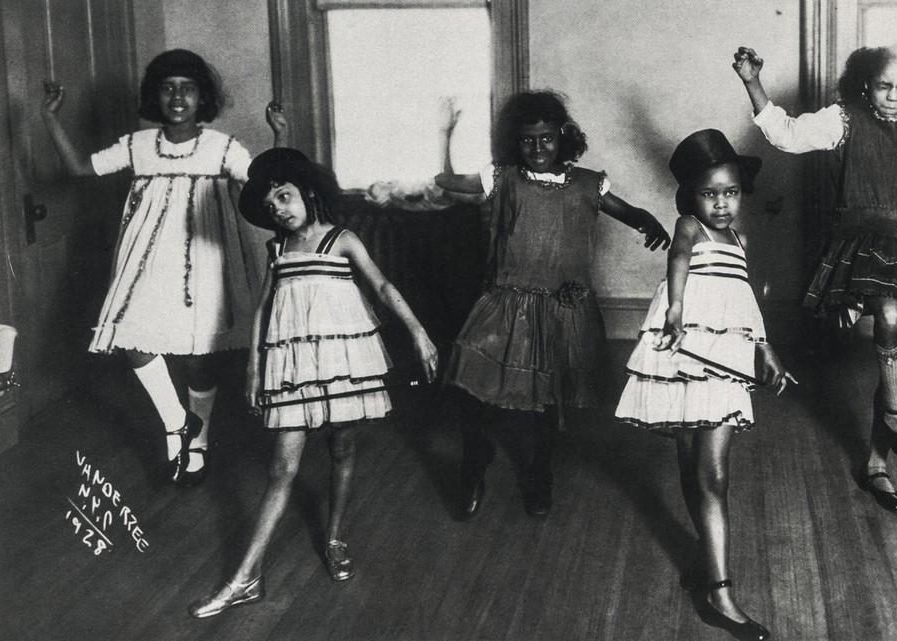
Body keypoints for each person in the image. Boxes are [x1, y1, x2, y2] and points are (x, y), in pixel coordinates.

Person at [189, 147, 438, 618]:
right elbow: (264, 309)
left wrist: (419, 333)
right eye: (269, 206)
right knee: (281, 471)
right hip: (295, 369)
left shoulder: (341, 239)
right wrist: (254, 368)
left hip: (344, 360)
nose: (279, 209)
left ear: (307, 192)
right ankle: (246, 577)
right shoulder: (277, 249)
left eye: (284, 196)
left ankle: (335, 536)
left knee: (342, 449)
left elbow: (382, 287)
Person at [732, 44, 897, 513]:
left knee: (896, 365)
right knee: (888, 312)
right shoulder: (845, 119)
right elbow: (785, 135)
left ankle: (877, 466)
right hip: (864, 247)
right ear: (866, 84)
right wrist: (752, 81)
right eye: (884, 86)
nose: (894, 96)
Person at [40, 49, 286, 486]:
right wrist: (50, 119)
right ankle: (177, 423)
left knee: (198, 361)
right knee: (132, 337)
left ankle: (197, 448)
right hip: (149, 264)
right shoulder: (137, 146)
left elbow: (270, 184)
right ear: (156, 97)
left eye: (187, 89)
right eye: (168, 88)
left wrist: (280, 135)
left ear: (201, 98)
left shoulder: (222, 147)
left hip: (207, 264)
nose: (177, 97)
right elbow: (80, 168)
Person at [435, 91, 671, 519]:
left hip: (561, 311)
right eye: (528, 141)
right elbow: (446, 182)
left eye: (546, 139)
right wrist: (445, 135)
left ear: (563, 137)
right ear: (515, 142)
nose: (538, 149)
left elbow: (628, 210)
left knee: (544, 404)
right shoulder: (501, 178)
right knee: (476, 394)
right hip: (506, 306)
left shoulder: (587, 183)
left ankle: (539, 475)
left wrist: (649, 221)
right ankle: (474, 466)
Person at [616, 129, 793, 641]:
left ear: (742, 194)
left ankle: (719, 591)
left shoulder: (741, 240)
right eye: (709, 193)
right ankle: (707, 561)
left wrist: (766, 349)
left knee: (712, 473)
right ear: (691, 197)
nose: (720, 203)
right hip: (683, 347)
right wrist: (674, 307)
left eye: (730, 192)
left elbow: (746, 303)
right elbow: (676, 260)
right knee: (692, 467)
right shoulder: (688, 227)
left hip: (724, 359)